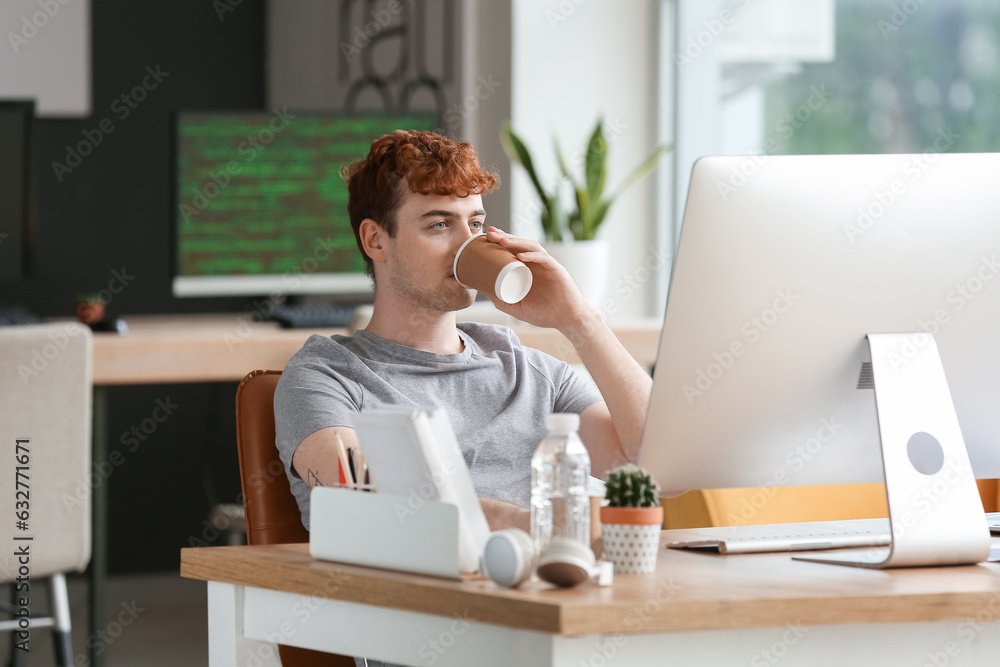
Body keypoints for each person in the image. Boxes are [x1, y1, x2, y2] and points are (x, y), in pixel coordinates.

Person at [274, 129, 652, 533]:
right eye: (439, 225)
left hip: (533, 588)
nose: (466, 244)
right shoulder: (325, 375)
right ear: (375, 240)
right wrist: (527, 523)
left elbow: (655, 469)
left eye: (475, 223)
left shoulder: (529, 373)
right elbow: (363, 497)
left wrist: (579, 321)